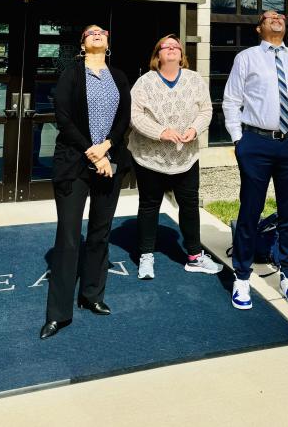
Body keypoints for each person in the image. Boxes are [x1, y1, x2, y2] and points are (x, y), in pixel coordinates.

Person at [222, 10, 288, 310]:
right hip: (256, 144)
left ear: (286, 26)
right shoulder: (247, 58)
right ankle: (241, 276)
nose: (276, 18)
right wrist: (239, 140)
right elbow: (231, 100)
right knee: (250, 210)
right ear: (259, 28)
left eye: (280, 16)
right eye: (268, 16)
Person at [40, 25, 131, 340]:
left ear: (107, 42)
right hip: (74, 164)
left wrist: (106, 147)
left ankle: (92, 294)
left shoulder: (118, 76)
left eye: (103, 32)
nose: (98, 33)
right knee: (67, 236)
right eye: (90, 32)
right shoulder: (71, 75)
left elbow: (123, 119)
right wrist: (93, 152)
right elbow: (62, 117)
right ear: (82, 44)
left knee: (99, 232)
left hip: (110, 161)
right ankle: (58, 314)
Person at [129, 34, 222, 279]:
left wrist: (195, 128)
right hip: (150, 156)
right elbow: (135, 115)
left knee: (189, 205)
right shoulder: (144, 82)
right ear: (157, 55)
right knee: (149, 206)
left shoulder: (194, 80)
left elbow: (206, 110)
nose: (171, 49)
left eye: (176, 47)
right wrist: (160, 132)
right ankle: (146, 256)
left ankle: (194, 255)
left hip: (186, 156)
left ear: (182, 55)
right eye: (165, 47)